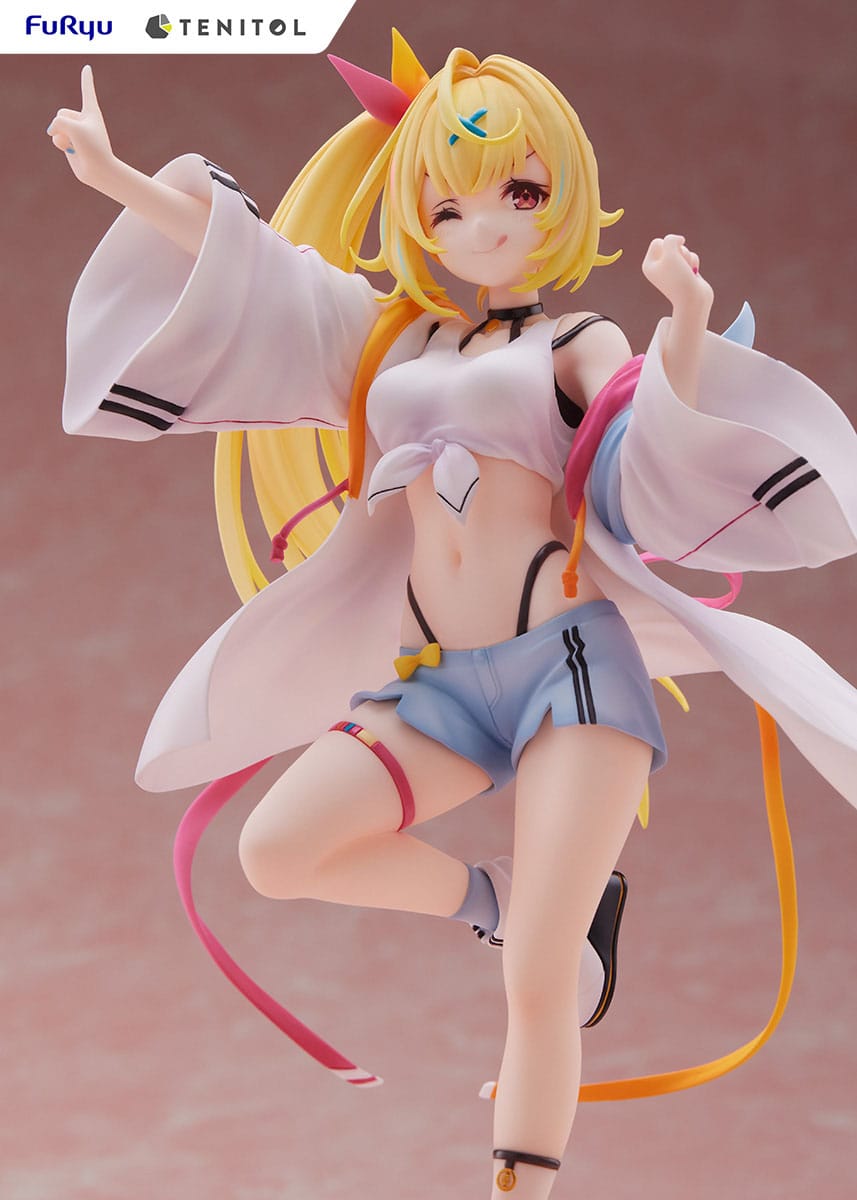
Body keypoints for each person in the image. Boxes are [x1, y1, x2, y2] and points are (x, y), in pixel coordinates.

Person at [49, 35, 857, 1200]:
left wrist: (682, 319)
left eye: (516, 192)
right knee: (277, 851)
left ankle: (516, 1178)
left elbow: (653, 427)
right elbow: (258, 272)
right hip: (440, 683)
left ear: (559, 198)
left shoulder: (574, 342)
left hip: (568, 676)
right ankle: (495, 901)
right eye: (449, 203)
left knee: (537, 978)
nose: (483, 224)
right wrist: (119, 178)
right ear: (419, 215)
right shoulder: (389, 337)